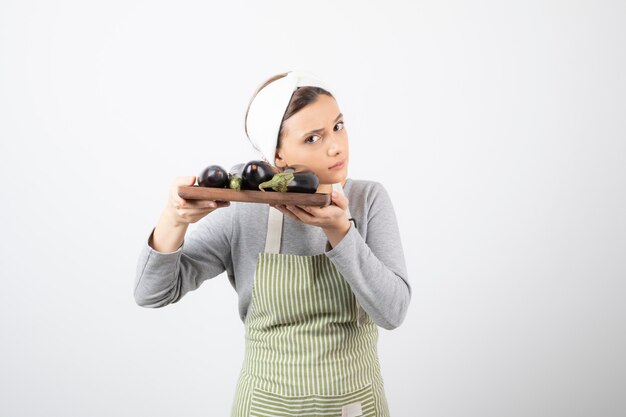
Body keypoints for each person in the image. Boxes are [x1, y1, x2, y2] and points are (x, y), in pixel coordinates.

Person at [134, 70, 411, 417]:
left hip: (353, 406)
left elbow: (393, 312)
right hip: (265, 407)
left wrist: (341, 233)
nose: (336, 145)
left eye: (338, 126)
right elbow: (152, 293)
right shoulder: (243, 208)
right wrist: (174, 219)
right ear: (276, 156)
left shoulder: (368, 199)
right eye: (313, 138)